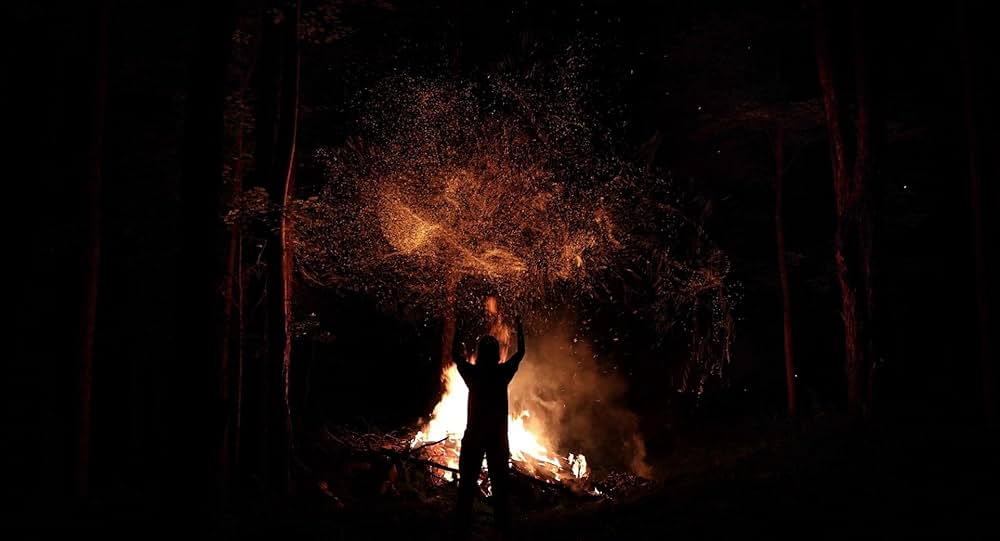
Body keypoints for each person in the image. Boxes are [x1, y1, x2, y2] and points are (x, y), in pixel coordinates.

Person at [454, 315, 525, 538]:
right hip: (497, 441)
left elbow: (455, 356)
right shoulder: (501, 373)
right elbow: (520, 354)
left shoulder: (473, 374)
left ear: (479, 354)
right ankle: (503, 529)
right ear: (496, 356)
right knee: (501, 489)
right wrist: (519, 327)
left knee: (466, 486)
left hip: (474, 438)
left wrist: (459, 326)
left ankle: (461, 528)